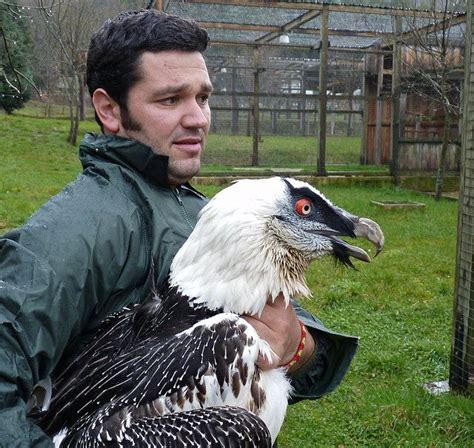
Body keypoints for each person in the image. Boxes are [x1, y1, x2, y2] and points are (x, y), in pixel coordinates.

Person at [0, 9, 358, 446]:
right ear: (109, 109)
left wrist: (297, 344)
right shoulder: (70, 235)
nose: (198, 119)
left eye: (202, 98)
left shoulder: (205, 213)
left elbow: (290, 341)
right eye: (170, 100)